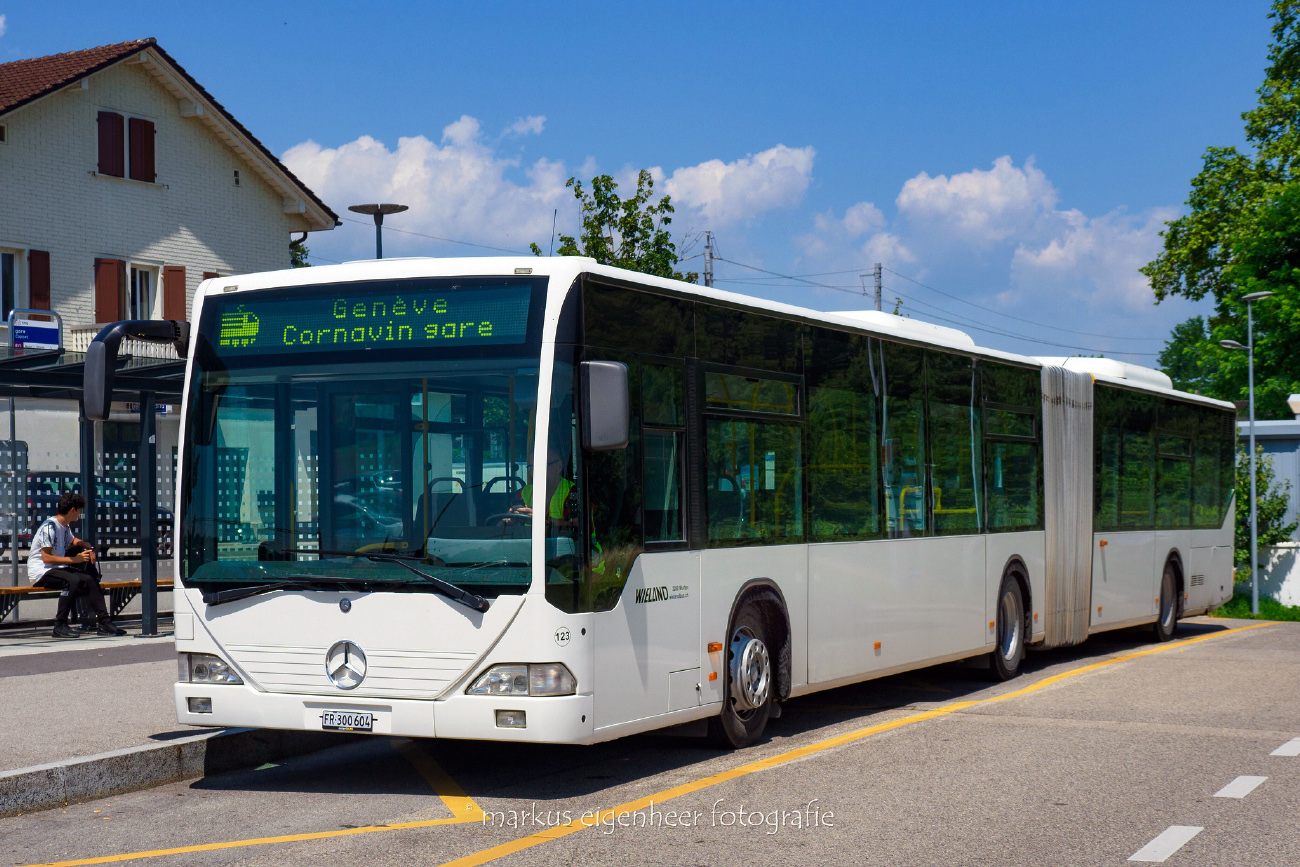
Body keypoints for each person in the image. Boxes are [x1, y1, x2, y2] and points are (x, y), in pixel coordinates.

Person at [28, 492, 125, 638]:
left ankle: (104, 623)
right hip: (41, 572)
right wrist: (75, 559)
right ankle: (59, 625)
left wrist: (86, 545)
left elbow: (72, 540)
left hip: (57, 569)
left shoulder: (64, 526)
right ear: (73, 510)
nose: (80, 514)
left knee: (90, 579)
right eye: (79, 510)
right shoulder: (50, 527)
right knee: (72, 580)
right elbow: (46, 558)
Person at [512, 446, 576, 528]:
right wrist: (509, 521)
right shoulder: (524, 492)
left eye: (540, 466)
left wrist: (540, 519)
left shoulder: (572, 492)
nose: (534, 472)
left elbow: (578, 528)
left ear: (559, 467)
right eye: (531, 467)